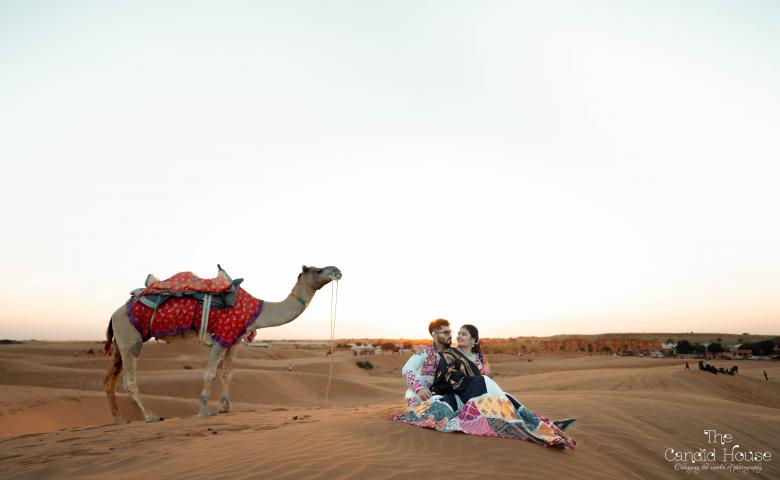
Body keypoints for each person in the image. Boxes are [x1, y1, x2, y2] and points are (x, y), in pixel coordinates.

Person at [393, 320, 576, 449]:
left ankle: (540, 424)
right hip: (426, 396)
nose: (451, 335)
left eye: (451, 332)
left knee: (502, 396)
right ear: (434, 334)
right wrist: (418, 388)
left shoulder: (453, 353)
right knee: (483, 390)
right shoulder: (424, 352)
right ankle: (529, 429)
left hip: (454, 391)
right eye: (446, 332)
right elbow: (407, 369)